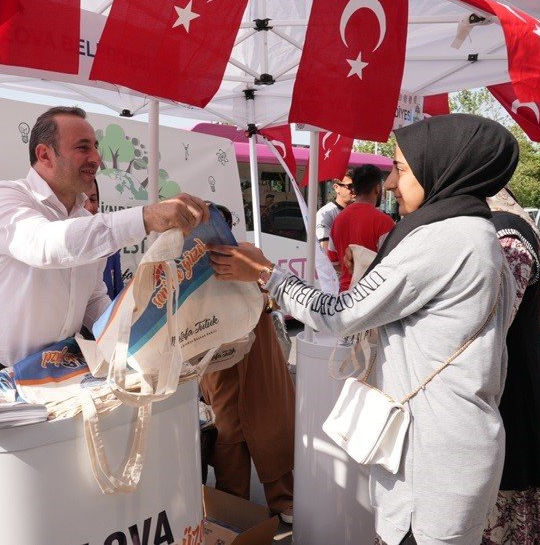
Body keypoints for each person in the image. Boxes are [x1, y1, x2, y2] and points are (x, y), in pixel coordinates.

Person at [210, 114, 517, 545]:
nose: (391, 184)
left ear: (442, 168)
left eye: (402, 170)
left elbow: (339, 312)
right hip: (450, 441)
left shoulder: (447, 238)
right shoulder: (476, 232)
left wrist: (266, 273)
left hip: (433, 454)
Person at [0, 106, 209, 392]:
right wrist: (146, 217)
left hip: (45, 378)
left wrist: (141, 332)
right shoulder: (4, 197)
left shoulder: (85, 222)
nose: (96, 159)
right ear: (44, 155)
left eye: (96, 148)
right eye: (82, 148)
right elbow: (45, 245)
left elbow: (92, 301)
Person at [200, 205, 296, 525]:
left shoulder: (249, 256)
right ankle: (233, 512)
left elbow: (274, 298)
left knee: (273, 434)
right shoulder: (192, 268)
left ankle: (284, 507)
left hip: (258, 364)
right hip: (220, 371)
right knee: (229, 442)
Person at [482, 190, 540, 544]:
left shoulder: (505, 232)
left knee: (503, 509)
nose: (390, 184)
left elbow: (489, 321)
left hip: (507, 394)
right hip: (499, 388)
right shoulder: (492, 226)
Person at [327, 165, 394, 291]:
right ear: (378, 189)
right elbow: (392, 265)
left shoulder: (338, 220)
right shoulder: (385, 222)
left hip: (344, 297)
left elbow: (334, 262)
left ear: (355, 190)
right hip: (372, 294)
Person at [84, 178, 124, 299]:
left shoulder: (110, 246)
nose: (89, 207)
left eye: (93, 199)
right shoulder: (59, 250)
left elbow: (118, 294)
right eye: (81, 200)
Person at [315, 176, 356, 252]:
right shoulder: (325, 213)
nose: (355, 190)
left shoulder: (357, 212)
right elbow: (325, 249)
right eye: (351, 186)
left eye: (357, 187)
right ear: (336, 188)